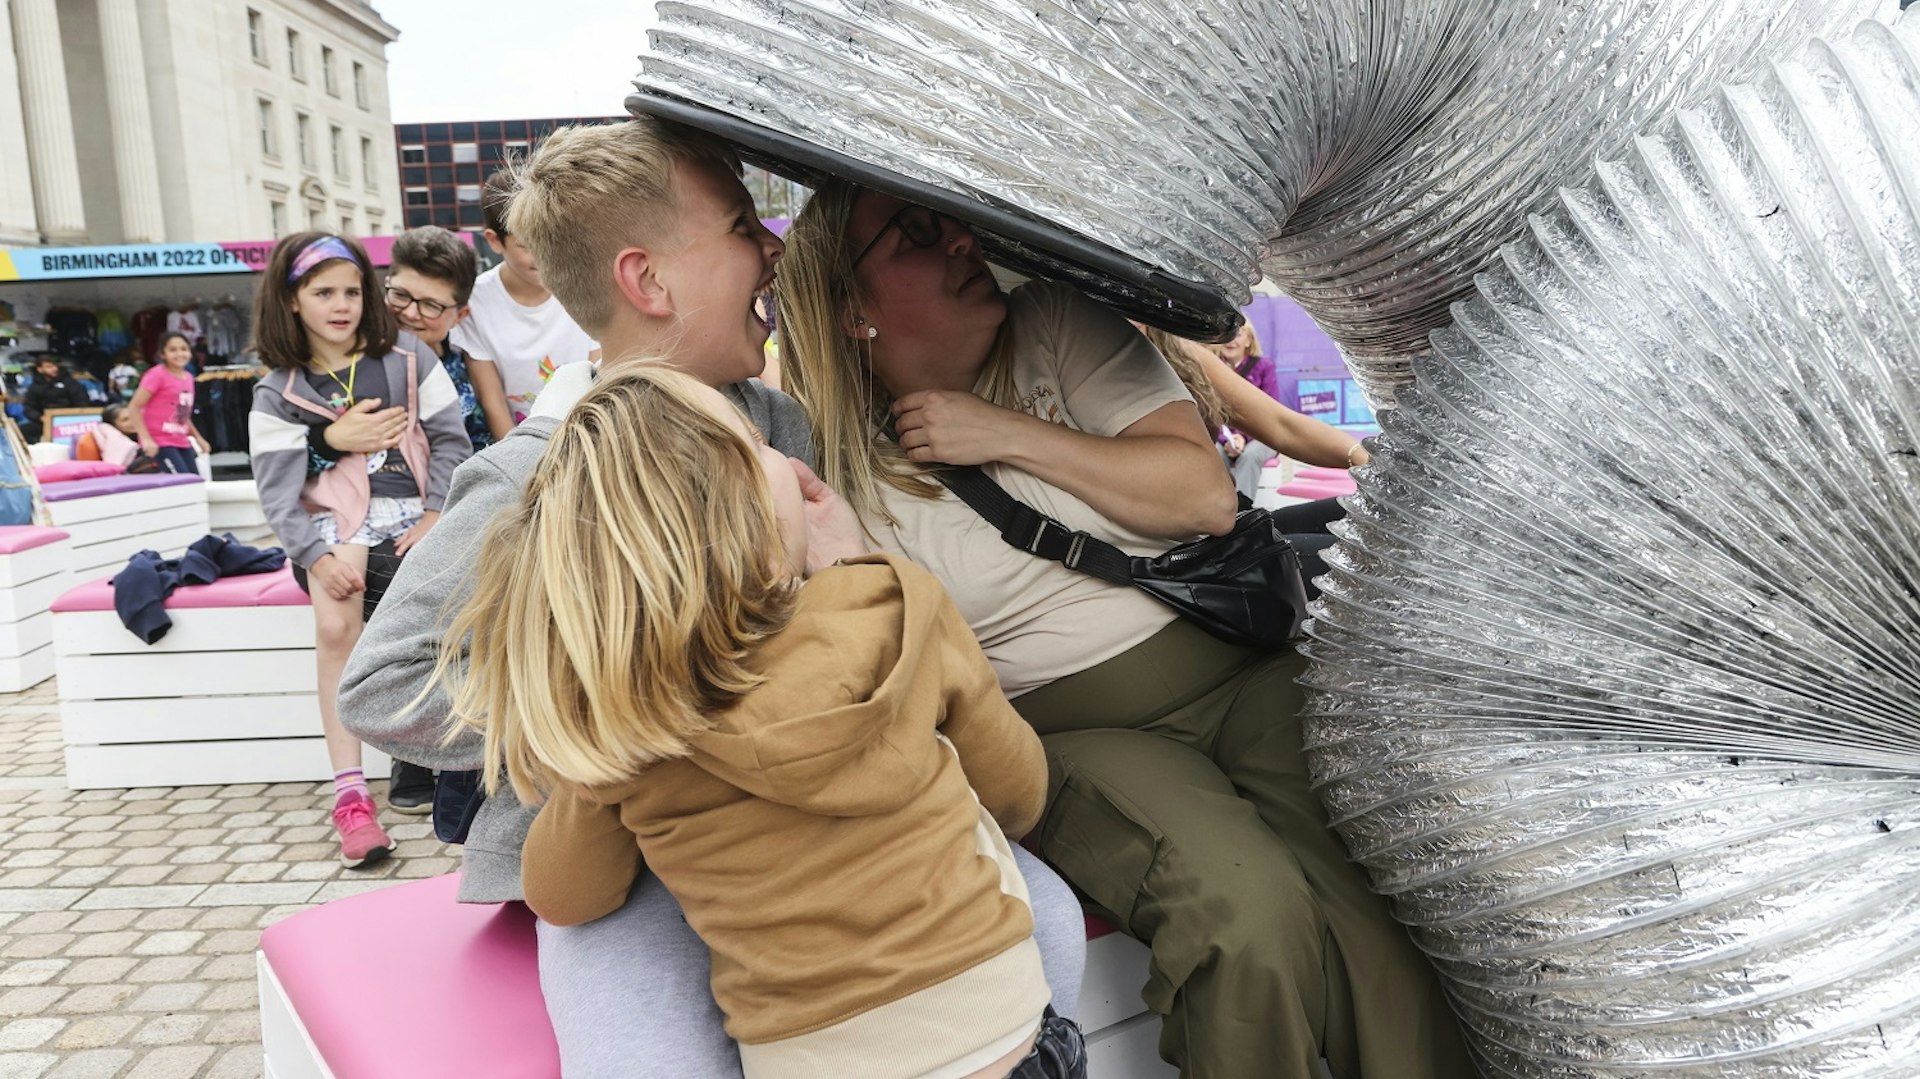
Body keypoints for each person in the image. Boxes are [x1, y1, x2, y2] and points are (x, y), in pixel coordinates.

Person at [337, 117, 1087, 1079]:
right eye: (741, 226)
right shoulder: (538, 472)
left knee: (1049, 922)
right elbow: (383, 687)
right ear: (648, 281)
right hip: (619, 854)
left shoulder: (778, 422)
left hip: (806, 816)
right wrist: (614, 703)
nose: (773, 247)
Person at [777, 181, 1473, 1079]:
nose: (959, 243)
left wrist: (1001, 432)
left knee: (1381, 887)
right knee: (1243, 916)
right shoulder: (834, 463)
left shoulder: (1056, 321)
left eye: (955, 223)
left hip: (1239, 668)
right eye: (916, 233)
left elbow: (1204, 498)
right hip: (1075, 730)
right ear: (851, 309)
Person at [441, 366, 1086, 1079]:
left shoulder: (632, 725)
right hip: (1005, 1038)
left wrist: (591, 766)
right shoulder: (899, 608)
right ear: (745, 506)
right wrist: (854, 566)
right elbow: (1018, 795)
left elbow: (566, 897)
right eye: (754, 441)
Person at [248, 231, 473, 868]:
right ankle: (351, 797)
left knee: (460, 603)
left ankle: (460, 763)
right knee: (334, 620)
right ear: (292, 300)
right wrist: (315, 558)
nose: (342, 305)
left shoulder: (407, 357)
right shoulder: (278, 391)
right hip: (332, 526)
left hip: (417, 512)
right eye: (323, 293)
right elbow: (278, 495)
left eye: (352, 291)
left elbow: (451, 439)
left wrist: (436, 515)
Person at [308, 224, 489, 813]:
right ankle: (417, 749)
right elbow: (290, 458)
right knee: (405, 574)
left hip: (443, 519)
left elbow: (479, 453)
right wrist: (328, 439)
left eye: (431, 305)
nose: (411, 313)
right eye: (400, 296)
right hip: (344, 526)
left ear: (458, 314)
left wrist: (441, 515)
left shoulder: (468, 375)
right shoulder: (341, 363)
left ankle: (438, 749)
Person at [451, 169, 599, 440]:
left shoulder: (585, 284)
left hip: (585, 438)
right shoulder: (477, 302)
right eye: (527, 245)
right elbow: (492, 400)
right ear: (494, 241)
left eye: (552, 239)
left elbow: (600, 377)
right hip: (519, 442)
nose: (544, 255)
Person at [128, 333, 210, 474]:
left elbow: (182, 414)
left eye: (184, 349)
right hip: (159, 442)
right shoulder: (156, 375)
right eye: (173, 350)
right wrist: (146, 439)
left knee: (194, 480)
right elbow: (134, 406)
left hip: (181, 440)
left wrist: (198, 438)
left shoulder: (188, 378)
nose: (179, 354)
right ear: (163, 354)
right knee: (180, 482)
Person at [22, 356, 93, 443]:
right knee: (23, 431)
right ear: (40, 369)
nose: (54, 369)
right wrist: (40, 417)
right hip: (45, 421)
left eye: (55, 366)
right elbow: (28, 408)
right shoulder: (34, 387)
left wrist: (73, 416)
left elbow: (82, 402)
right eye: (49, 367)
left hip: (70, 421)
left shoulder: (70, 383)